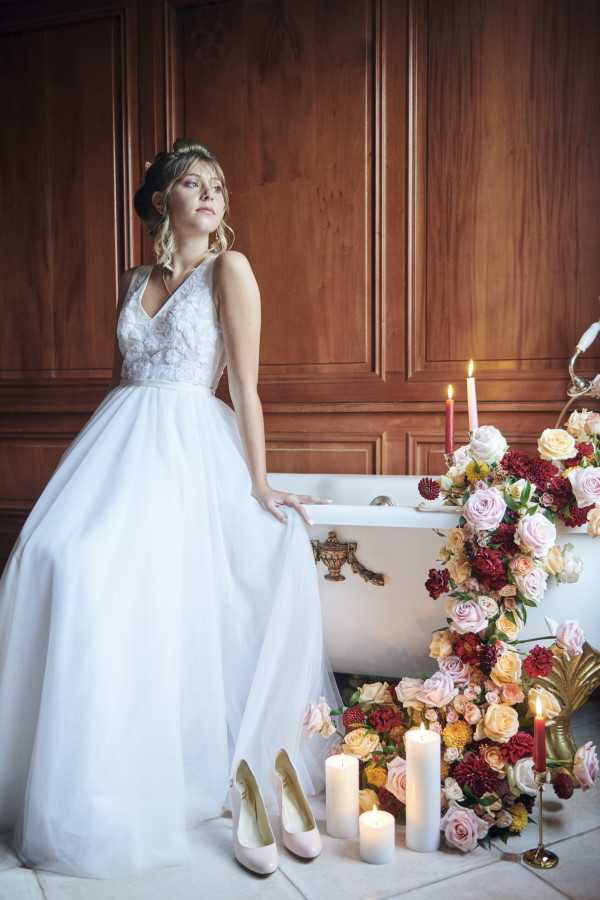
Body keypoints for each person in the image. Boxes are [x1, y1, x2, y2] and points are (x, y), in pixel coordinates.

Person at [0, 138, 342, 879]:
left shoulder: (232, 269)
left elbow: (244, 387)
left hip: (194, 448)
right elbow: (123, 375)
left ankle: (194, 767)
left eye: (218, 183)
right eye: (193, 182)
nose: (211, 193)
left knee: (161, 590)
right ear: (164, 201)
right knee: (56, 558)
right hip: (120, 444)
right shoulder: (133, 277)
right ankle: (85, 768)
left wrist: (258, 484)